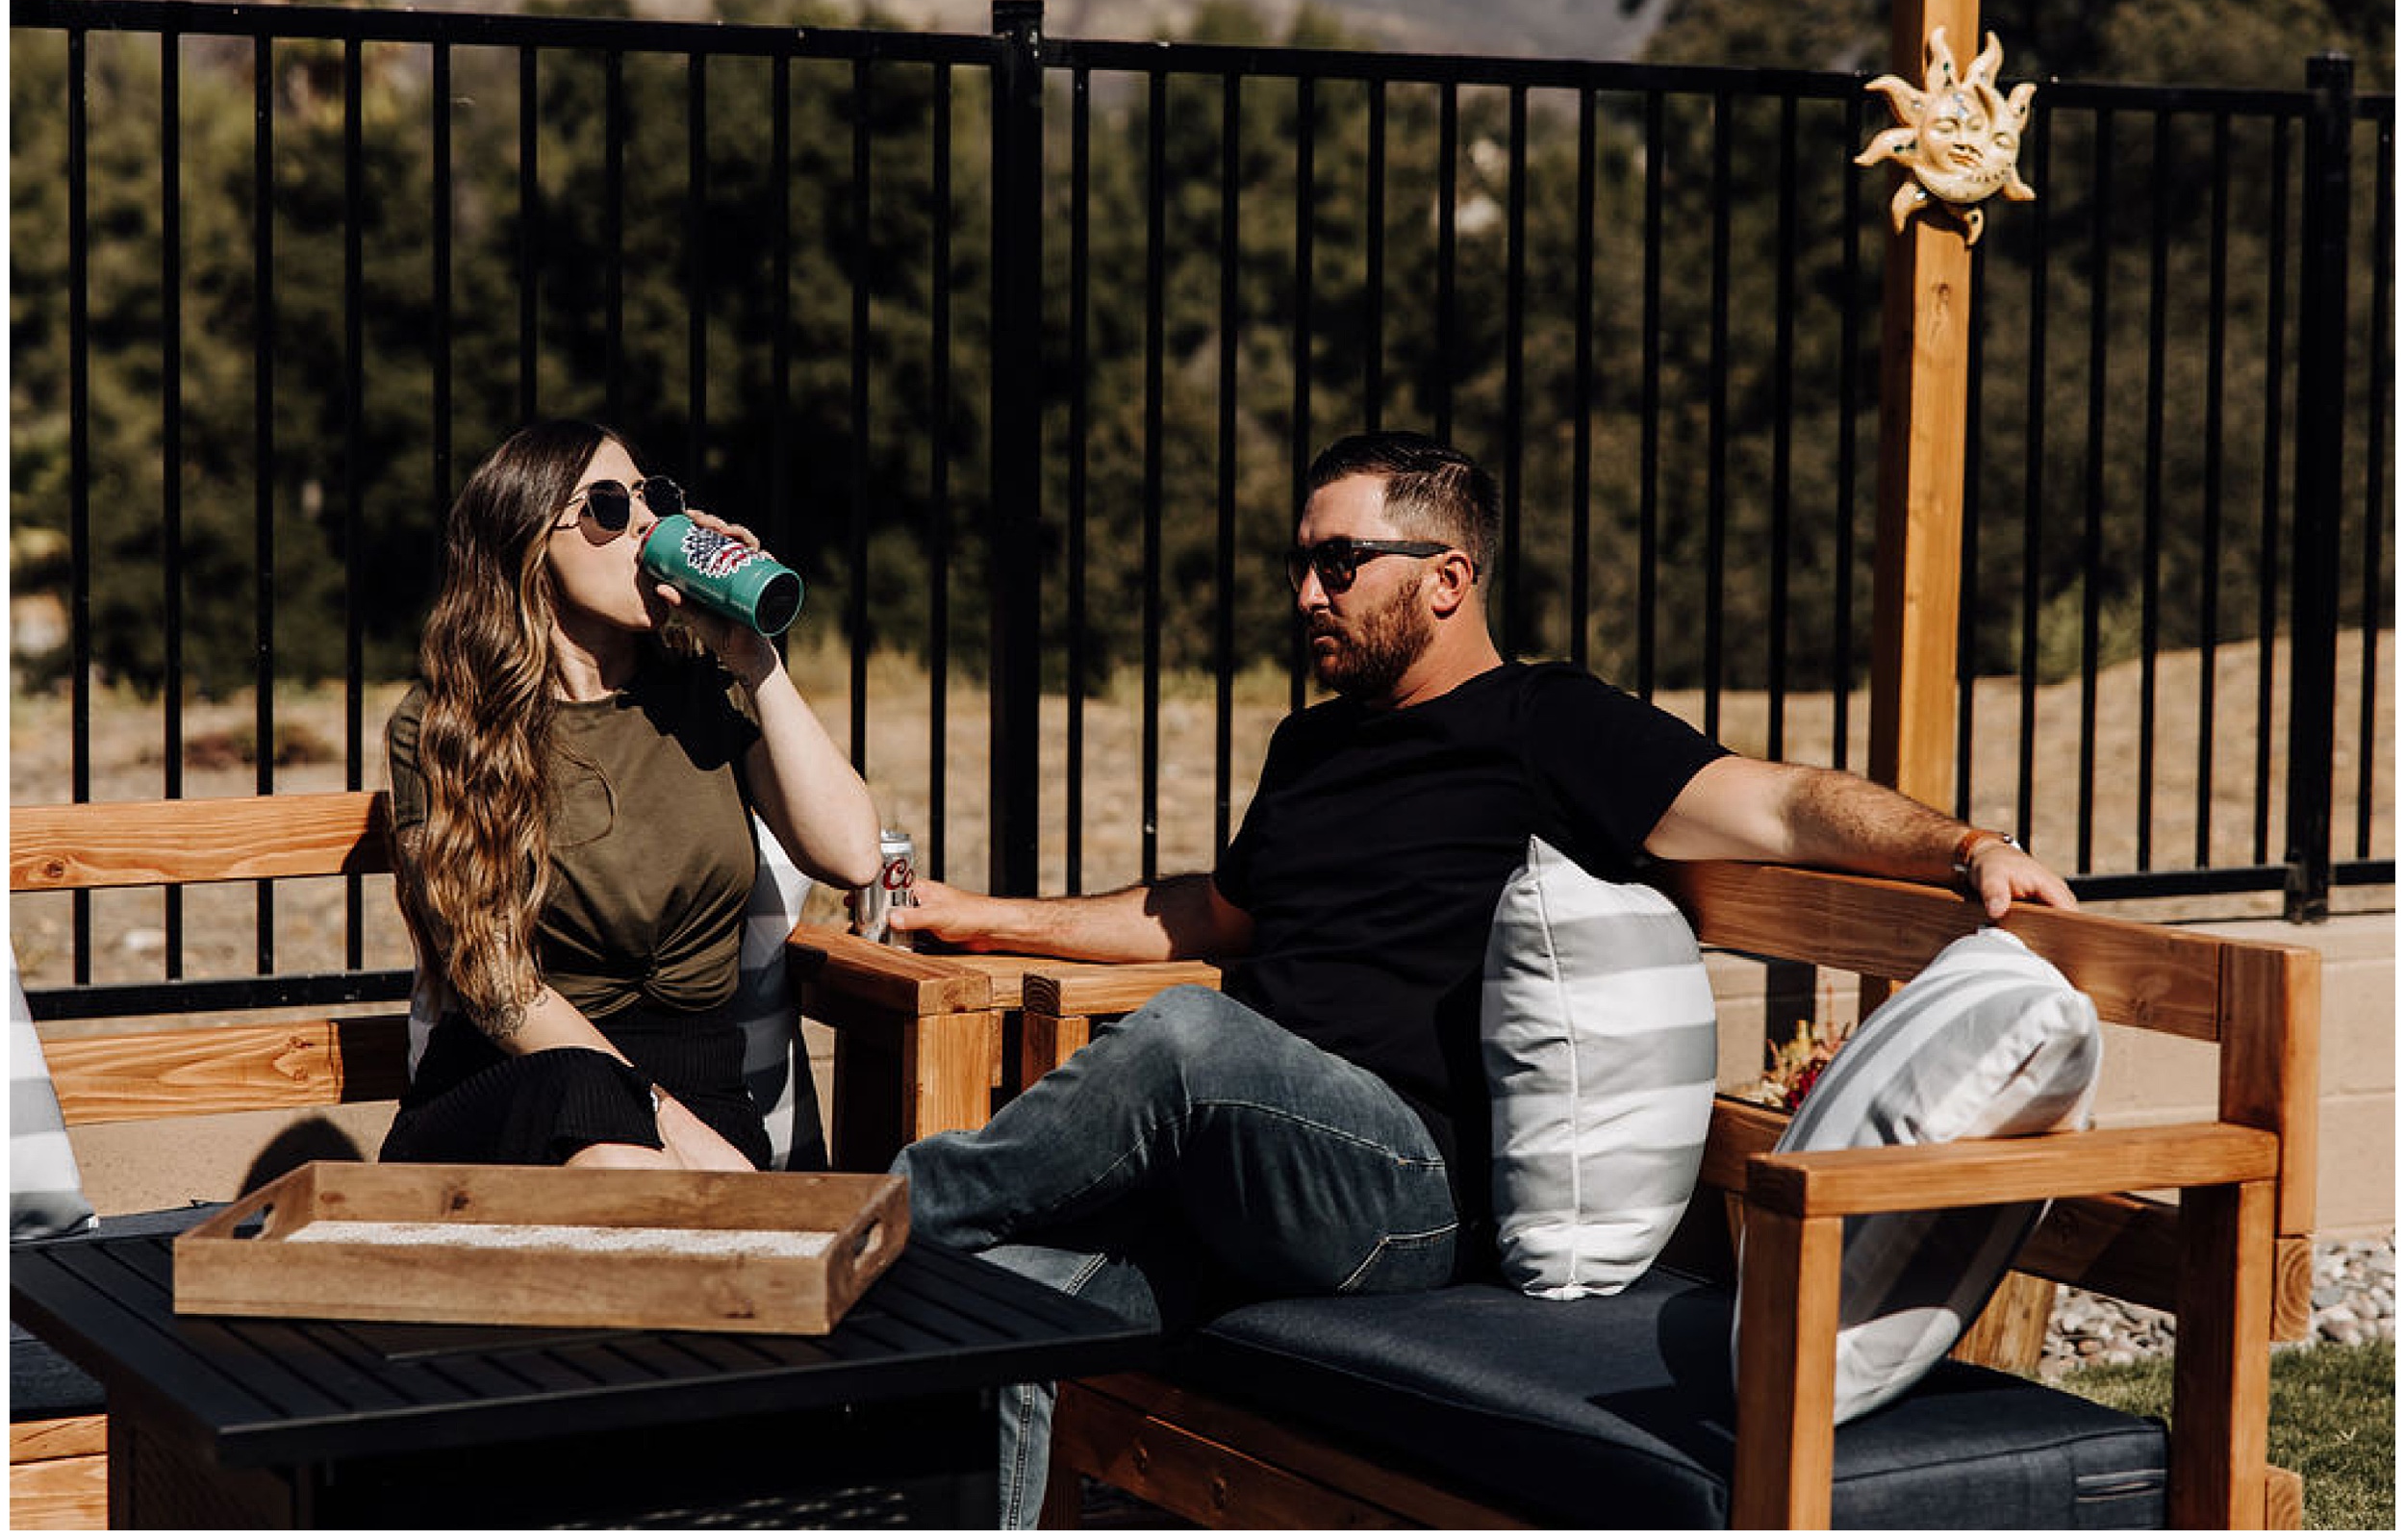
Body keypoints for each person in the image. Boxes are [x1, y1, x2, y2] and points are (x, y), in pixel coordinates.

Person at [884, 429, 2077, 1525]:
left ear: (1447, 578)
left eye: (1339, 563)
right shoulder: (1309, 745)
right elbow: (1209, 913)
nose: (1307, 594)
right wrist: (981, 917)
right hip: (1253, 1175)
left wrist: (1968, 846)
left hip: (1405, 1196)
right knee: (1009, 1310)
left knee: (1185, 1037)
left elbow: (1780, 802)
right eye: (1300, 565)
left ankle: (871, 1218)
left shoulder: (1547, 723)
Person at [380, 418, 880, 1173]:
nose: (647, 522)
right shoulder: (448, 725)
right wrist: (665, 1123)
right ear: (529, 545)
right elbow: (496, 983)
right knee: (608, 1132)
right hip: (521, 1083)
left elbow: (852, 855)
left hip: (703, 1092)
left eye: (655, 497)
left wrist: (755, 660)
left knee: (626, 1155)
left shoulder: (707, 693)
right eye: (609, 506)